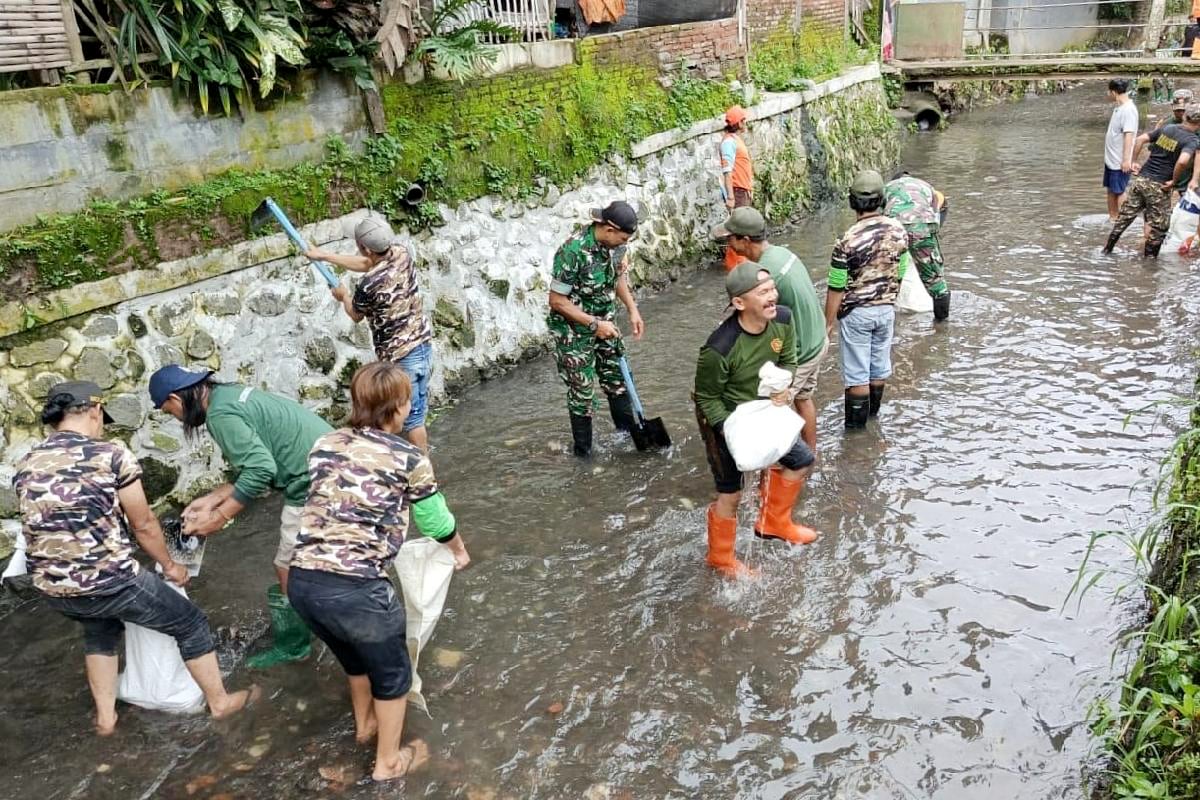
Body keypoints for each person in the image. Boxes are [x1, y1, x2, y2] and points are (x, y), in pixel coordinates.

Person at [12, 381, 258, 734]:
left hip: (53, 587)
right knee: (189, 623)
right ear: (94, 410)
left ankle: (106, 719)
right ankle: (220, 703)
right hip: (109, 580)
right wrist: (171, 566)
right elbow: (143, 524)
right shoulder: (111, 455)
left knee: (100, 630)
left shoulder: (27, 461)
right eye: (102, 417)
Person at [290, 362, 469, 781]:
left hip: (302, 582)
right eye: (407, 400)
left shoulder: (324, 444)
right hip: (357, 589)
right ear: (400, 406)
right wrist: (459, 551)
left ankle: (365, 727)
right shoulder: (410, 457)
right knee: (394, 675)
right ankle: (388, 763)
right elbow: (435, 521)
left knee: (354, 660)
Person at [149, 365, 332, 668]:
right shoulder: (228, 396)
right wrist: (210, 499)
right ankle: (325, 618)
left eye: (169, 411)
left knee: (287, 569)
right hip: (336, 466)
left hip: (312, 483)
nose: (176, 418)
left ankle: (298, 644)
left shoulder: (220, 417)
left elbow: (262, 470)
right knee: (322, 559)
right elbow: (259, 461)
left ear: (174, 399)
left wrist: (219, 516)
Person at [694, 262, 818, 578]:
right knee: (731, 493)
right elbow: (706, 398)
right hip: (724, 417)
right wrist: (731, 431)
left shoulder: (784, 320)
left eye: (772, 288)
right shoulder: (719, 348)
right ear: (739, 303)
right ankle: (721, 558)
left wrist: (785, 387)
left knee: (801, 459)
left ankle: (773, 522)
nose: (773, 296)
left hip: (764, 409)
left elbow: (789, 358)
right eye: (763, 292)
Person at [305, 216, 434, 453]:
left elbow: (355, 314)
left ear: (364, 247)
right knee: (415, 413)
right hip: (423, 347)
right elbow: (367, 263)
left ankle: (423, 475)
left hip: (400, 358)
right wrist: (325, 256)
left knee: (410, 420)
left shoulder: (368, 285)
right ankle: (411, 462)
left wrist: (343, 295)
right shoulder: (401, 254)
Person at [711, 207, 828, 454]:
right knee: (803, 398)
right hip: (817, 340)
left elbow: (752, 325)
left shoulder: (764, 277)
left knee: (772, 412)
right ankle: (811, 456)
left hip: (802, 353)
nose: (728, 244)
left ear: (744, 240)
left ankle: (782, 465)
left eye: (730, 238)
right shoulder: (781, 253)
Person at [547, 201, 646, 457]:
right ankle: (584, 454)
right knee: (583, 394)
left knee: (619, 381)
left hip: (607, 325)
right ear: (609, 228)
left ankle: (627, 439)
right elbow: (557, 301)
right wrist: (594, 325)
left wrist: (632, 309)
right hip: (574, 334)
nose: (625, 243)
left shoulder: (615, 247)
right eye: (623, 237)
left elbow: (618, 276)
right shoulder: (573, 251)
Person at [825, 170, 909, 429]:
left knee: (857, 375)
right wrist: (889, 297)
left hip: (857, 314)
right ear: (881, 200)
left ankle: (856, 435)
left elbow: (837, 286)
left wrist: (827, 324)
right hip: (885, 311)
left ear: (852, 202)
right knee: (878, 367)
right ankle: (874, 422)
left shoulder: (847, 240)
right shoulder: (899, 230)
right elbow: (901, 271)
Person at [1104, 104, 1200, 257]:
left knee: (1125, 217)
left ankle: (1107, 250)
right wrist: (1174, 182)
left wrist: (1133, 161)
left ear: (1184, 116)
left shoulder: (1167, 129)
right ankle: (1149, 264)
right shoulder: (1192, 140)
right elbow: (1182, 161)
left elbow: (1140, 139)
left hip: (1141, 179)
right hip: (1159, 186)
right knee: (1160, 227)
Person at [883, 171, 952, 322]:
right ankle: (942, 326)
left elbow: (879, 215)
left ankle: (887, 321)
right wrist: (932, 244)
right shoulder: (925, 186)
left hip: (893, 227)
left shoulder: (886, 187)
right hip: (922, 226)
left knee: (888, 275)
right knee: (936, 281)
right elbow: (936, 211)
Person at [720, 105, 754, 272]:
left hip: (743, 190)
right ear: (738, 123)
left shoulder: (735, 139)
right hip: (737, 191)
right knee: (738, 231)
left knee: (743, 228)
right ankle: (734, 266)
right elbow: (727, 172)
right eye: (743, 120)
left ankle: (741, 264)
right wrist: (731, 198)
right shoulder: (728, 143)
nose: (745, 122)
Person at [1103, 79, 1139, 222]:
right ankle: (1113, 219)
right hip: (1111, 160)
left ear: (1113, 92)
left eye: (1108, 91)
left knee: (1120, 191)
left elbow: (1128, 135)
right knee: (1111, 189)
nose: (1108, 94)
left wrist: (1126, 160)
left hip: (1119, 160)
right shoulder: (1119, 107)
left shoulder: (1128, 110)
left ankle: (1124, 221)